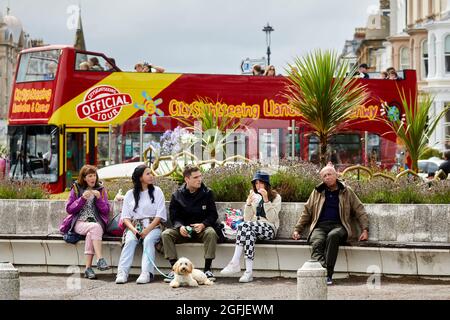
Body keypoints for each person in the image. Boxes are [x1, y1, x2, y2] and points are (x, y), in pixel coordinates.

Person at [291, 165, 369, 285]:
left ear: (336, 175)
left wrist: (365, 229)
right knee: (317, 242)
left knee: (333, 236)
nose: (327, 177)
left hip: (339, 226)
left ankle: (328, 274)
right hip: (320, 226)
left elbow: (360, 210)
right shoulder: (317, 191)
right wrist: (297, 229)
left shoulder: (346, 191)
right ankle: (324, 273)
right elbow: (307, 211)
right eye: (324, 176)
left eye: (329, 174)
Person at [220, 171, 281, 283]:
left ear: (266, 184)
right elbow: (247, 219)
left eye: (261, 183)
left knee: (244, 226)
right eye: (256, 183)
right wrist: (248, 204)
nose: (258, 186)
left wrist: (266, 199)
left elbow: (272, 219)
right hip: (252, 228)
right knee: (248, 232)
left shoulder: (276, 197)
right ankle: (248, 273)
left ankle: (235, 262)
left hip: (269, 229)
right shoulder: (254, 196)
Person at [161, 164, 219, 282]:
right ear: (187, 179)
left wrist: (203, 224)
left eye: (200, 176)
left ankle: (207, 269)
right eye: (196, 177)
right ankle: (174, 270)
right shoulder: (177, 195)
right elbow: (174, 217)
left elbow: (213, 215)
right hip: (183, 231)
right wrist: (180, 227)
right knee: (166, 234)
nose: (199, 179)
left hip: (201, 230)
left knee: (211, 233)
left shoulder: (207, 193)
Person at [115, 164, 167, 284]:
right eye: (148, 173)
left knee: (148, 240)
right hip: (135, 227)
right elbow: (126, 218)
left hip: (153, 226)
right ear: (140, 177)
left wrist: (147, 230)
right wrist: (134, 231)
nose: (151, 176)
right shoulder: (129, 194)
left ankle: (146, 273)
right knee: (130, 241)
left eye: (151, 173)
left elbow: (159, 216)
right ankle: (122, 272)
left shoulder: (157, 191)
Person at [60, 165, 110, 279]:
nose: (93, 178)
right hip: (80, 223)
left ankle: (88, 269)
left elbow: (106, 210)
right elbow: (69, 209)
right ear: (84, 178)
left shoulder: (101, 190)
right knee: (95, 228)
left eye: (94, 175)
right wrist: (82, 199)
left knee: (91, 233)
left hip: (95, 223)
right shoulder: (76, 188)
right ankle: (100, 259)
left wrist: (99, 199)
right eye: (90, 176)